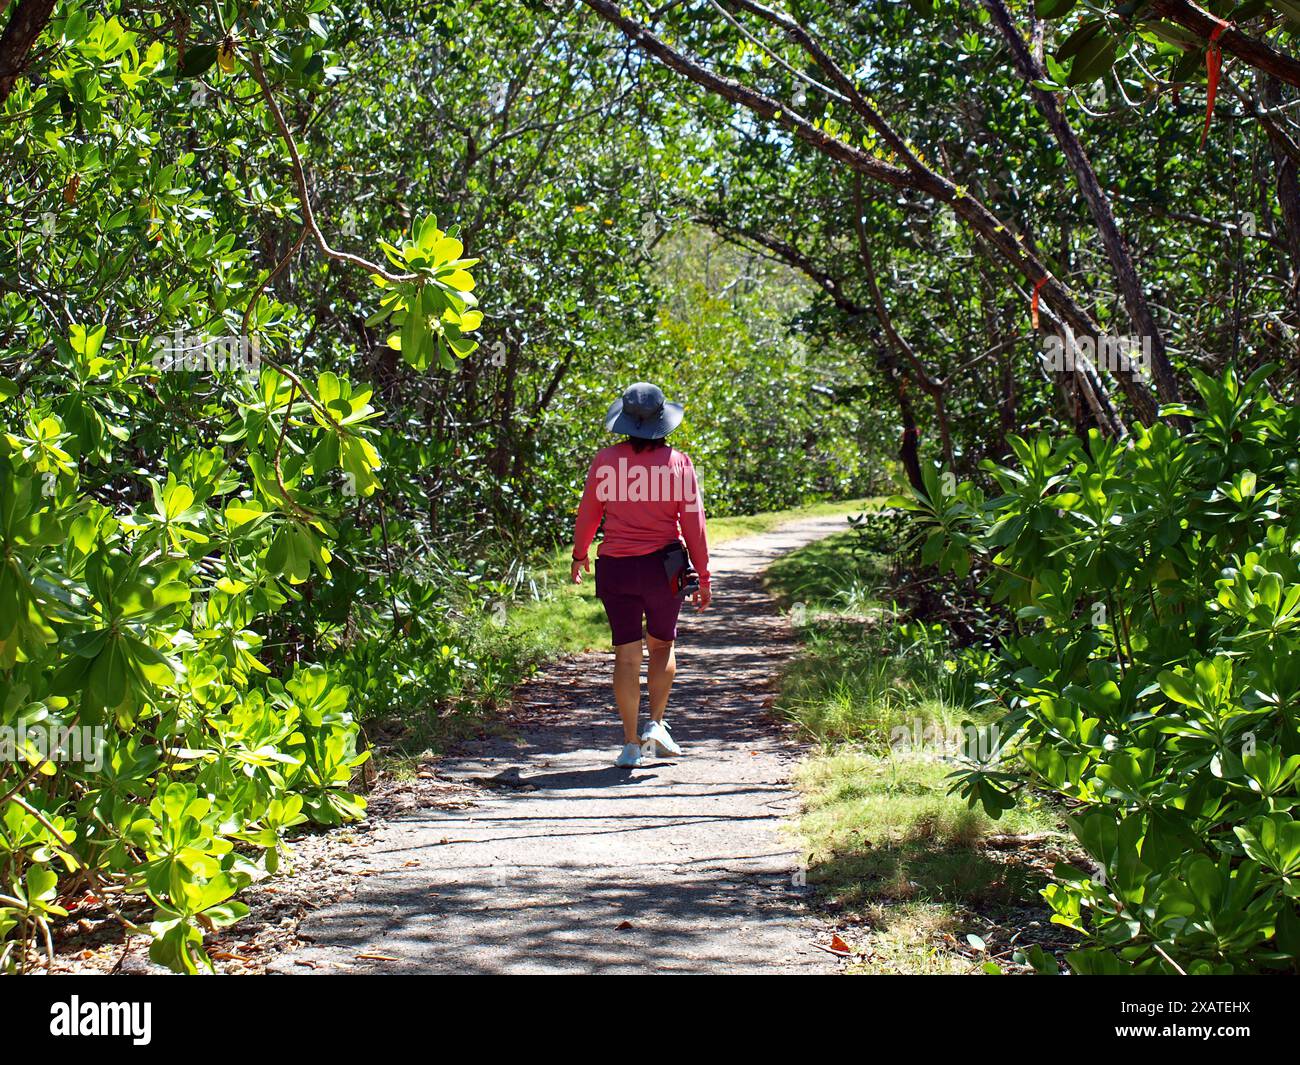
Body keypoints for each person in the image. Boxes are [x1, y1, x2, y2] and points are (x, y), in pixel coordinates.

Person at [570, 382, 712, 767]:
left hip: (616, 567)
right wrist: (703, 573)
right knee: (662, 646)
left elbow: (589, 513)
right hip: (662, 568)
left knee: (626, 655)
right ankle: (656, 724)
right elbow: (693, 522)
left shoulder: (605, 461)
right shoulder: (679, 463)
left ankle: (630, 744)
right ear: (663, 422)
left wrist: (579, 554)